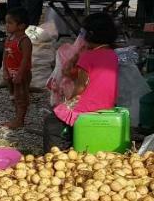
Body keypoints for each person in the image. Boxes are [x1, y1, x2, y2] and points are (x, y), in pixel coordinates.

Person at [43, 12, 119, 152]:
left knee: (52, 122)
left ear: (89, 35)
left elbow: (81, 85)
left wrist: (69, 101)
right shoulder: (113, 55)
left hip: (87, 106)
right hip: (107, 104)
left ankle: (55, 154)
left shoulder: (87, 57)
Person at [1, 7, 33, 130]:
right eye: (6, 22)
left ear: (21, 26)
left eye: (10, 23)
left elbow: (26, 59)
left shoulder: (24, 41)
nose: (6, 26)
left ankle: (20, 120)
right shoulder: (9, 39)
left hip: (22, 74)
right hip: (11, 72)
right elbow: (5, 55)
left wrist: (19, 74)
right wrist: (5, 70)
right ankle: (17, 117)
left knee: (21, 96)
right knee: (13, 96)